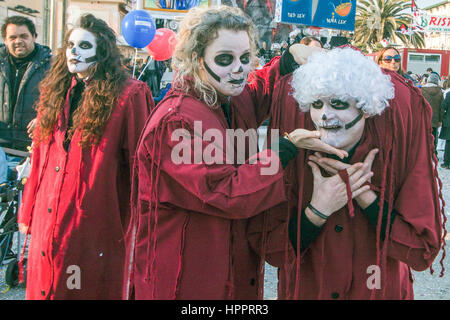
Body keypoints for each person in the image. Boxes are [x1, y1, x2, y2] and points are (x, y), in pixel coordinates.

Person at [128, 6, 357, 300]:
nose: (238, 68)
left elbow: (258, 87)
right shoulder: (176, 122)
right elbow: (226, 192)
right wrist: (285, 148)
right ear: (197, 60)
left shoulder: (228, 97)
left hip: (229, 274)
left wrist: (289, 58)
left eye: (244, 58)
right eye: (225, 59)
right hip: (183, 280)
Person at [248, 47, 445, 299]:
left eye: (338, 103)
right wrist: (318, 209)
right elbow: (272, 249)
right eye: (316, 104)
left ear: (365, 107)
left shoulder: (395, 151)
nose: (325, 115)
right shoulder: (297, 156)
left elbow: (420, 251)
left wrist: (365, 196)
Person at [17, 14, 154, 300]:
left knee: (83, 287)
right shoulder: (57, 92)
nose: (73, 51)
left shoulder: (129, 95)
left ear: (101, 51)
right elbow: (41, 155)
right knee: (46, 286)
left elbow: (141, 168)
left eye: (83, 45)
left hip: (95, 220)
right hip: (48, 213)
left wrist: (143, 225)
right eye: (70, 44)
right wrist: (28, 209)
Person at [0, 16, 51, 151]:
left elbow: (62, 101)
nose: (18, 41)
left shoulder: (51, 67)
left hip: (32, 146)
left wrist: (44, 118)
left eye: (24, 36)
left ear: (34, 36)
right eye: (12, 37)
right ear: (5, 40)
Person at [421, 72, 443, 155]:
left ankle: (424, 153)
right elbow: (441, 107)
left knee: (423, 136)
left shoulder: (422, 90)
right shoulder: (440, 92)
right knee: (434, 136)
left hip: (423, 118)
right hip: (435, 118)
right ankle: (433, 152)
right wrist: (440, 120)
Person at [439, 80, 450, 168]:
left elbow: (443, 106)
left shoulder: (449, 94)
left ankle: (447, 163)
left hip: (449, 121)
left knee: (449, 143)